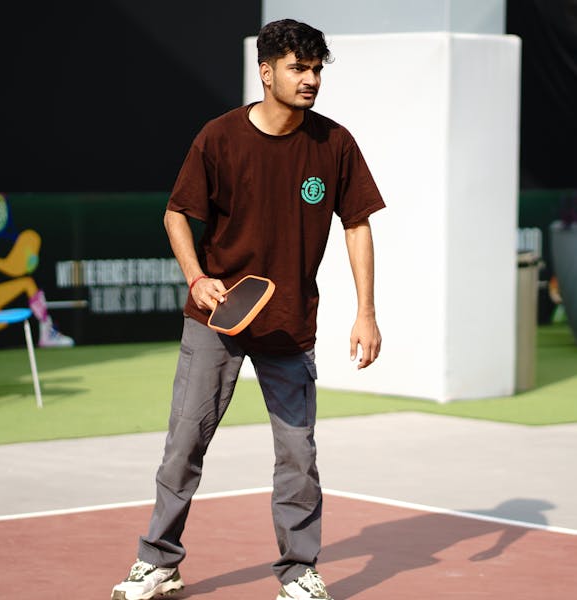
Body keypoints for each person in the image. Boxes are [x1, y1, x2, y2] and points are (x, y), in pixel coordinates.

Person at [110, 18, 385, 600]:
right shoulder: (219, 137)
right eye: (298, 68)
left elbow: (357, 225)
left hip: (290, 324)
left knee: (297, 454)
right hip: (216, 319)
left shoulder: (334, 143)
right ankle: (158, 562)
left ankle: (299, 570)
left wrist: (366, 312)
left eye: (316, 69)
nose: (310, 80)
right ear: (267, 72)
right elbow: (176, 214)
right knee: (185, 442)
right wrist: (197, 277)